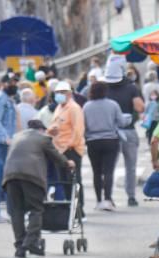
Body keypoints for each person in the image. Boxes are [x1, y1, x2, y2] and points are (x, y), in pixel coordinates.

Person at [3, 120, 72, 258]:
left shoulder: (17, 137)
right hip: (31, 176)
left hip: (10, 177)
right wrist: (68, 163)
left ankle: (20, 246)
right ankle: (30, 242)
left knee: (17, 211)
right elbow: (56, 157)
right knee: (36, 209)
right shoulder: (43, 139)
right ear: (41, 129)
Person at [83, 81, 130, 211]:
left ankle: (98, 200)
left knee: (96, 172)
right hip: (110, 140)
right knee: (109, 171)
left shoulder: (87, 106)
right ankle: (108, 199)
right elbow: (121, 121)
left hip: (93, 141)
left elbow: (84, 125)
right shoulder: (112, 104)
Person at [105, 56, 144, 207]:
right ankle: (131, 196)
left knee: (109, 167)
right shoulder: (131, 87)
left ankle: (107, 196)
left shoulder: (103, 87)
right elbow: (139, 107)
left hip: (110, 132)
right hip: (128, 130)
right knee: (131, 166)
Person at [48, 81, 85, 209]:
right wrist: (51, 131)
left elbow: (78, 130)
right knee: (64, 182)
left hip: (71, 149)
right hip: (59, 149)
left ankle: (79, 209)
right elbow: (55, 125)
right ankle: (71, 207)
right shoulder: (59, 107)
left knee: (73, 181)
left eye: (62, 92)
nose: (59, 95)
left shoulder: (74, 108)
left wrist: (70, 146)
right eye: (57, 93)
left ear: (69, 94)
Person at [0, 74, 18, 224]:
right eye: (12, 82)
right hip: (2, 143)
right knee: (2, 176)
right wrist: (6, 136)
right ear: (5, 83)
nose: (15, 85)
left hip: (6, 142)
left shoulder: (7, 98)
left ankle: (7, 210)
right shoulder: (0, 98)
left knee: (5, 176)